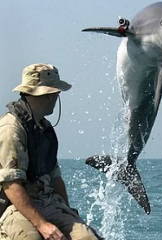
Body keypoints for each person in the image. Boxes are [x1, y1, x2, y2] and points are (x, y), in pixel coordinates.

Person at [0, 63, 101, 240]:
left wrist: (69, 213)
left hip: (46, 201)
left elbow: (55, 177)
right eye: (55, 92)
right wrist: (42, 225)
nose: (57, 96)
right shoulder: (11, 128)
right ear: (45, 94)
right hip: (13, 206)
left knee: (88, 237)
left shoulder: (44, 128)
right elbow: (11, 185)